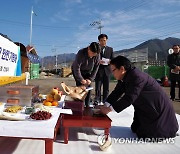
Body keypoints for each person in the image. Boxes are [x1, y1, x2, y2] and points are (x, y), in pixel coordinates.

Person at [97, 55, 179, 140]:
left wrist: (108, 109)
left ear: (122, 69)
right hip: (146, 107)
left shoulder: (137, 77)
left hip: (157, 111)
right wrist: (105, 105)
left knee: (149, 135)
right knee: (135, 128)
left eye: (113, 70)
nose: (112, 73)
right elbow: (116, 92)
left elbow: (129, 98)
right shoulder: (126, 76)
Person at [71, 42, 101, 107]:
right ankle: (80, 104)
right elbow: (76, 68)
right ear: (89, 49)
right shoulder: (81, 53)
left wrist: (90, 79)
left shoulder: (97, 55)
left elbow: (96, 67)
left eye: (95, 55)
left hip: (87, 71)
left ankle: (87, 105)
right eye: (92, 54)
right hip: (77, 70)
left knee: (89, 87)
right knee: (81, 87)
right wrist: (81, 79)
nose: (93, 56)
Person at [94, 34, 114, 104]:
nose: (103, 42)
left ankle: (105, 101)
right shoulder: (96, 49)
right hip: (98, 71)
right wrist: (98, 61)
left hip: (107, 71)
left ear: (107, 40)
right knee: (98, 87)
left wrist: (109, 61)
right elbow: (93, 59)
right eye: (101, 40)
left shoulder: (110, 49)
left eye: (104, 40)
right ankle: (97, 100)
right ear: (99, 41)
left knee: (106, 88)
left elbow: (113, 59)